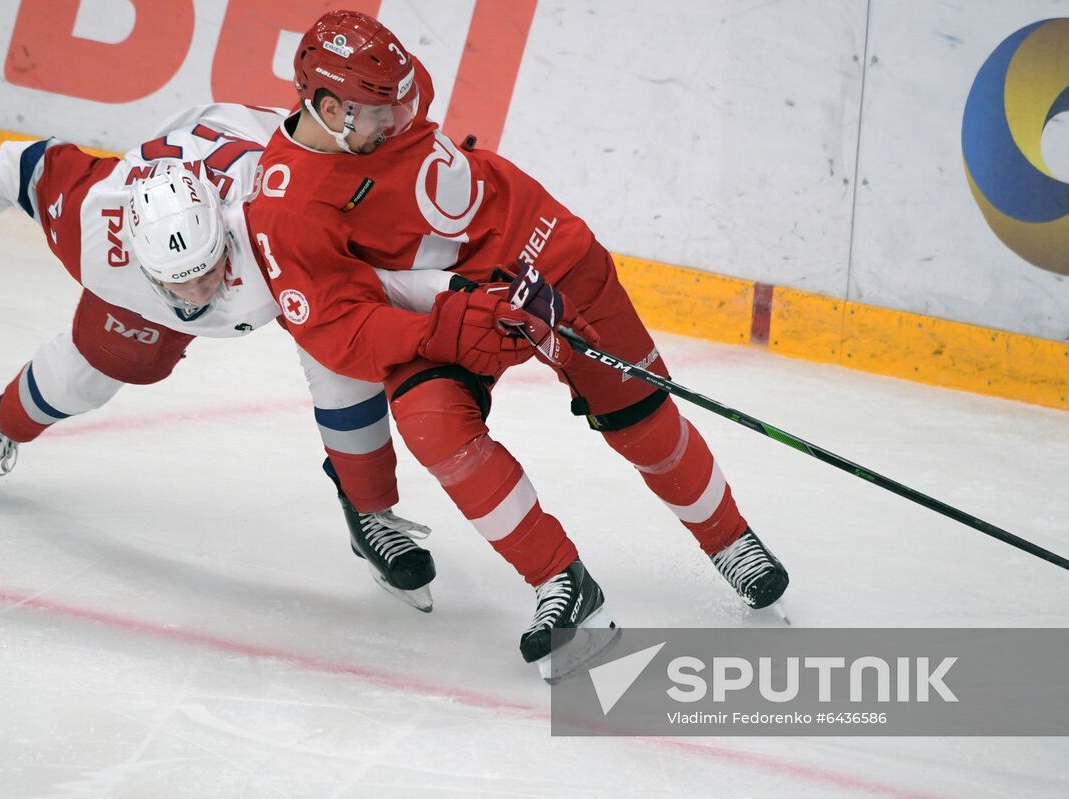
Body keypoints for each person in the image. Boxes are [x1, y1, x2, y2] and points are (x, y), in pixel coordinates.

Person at [242, 10, 791, 679]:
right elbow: (334, 326)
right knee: (434, 428)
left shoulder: (379, 104)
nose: (399, 119)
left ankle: (730, 539)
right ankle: (563, 584)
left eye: (397, 100)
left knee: (637, 417)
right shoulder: (287, 206)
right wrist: (442, 325)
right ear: (327, 107)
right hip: (445, 309)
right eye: (376, 114)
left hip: (546, 247)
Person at [0, 103, 442, 612]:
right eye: (180, 283)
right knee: (89, 373)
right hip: (192, 189)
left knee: (341, 352)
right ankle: (0, 421)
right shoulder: (98, 221)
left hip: (266, 198)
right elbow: (21, 166)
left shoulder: (274, 229)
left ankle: (368, 509)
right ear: (136, 255)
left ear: (223, 235)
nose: (200, 297)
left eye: (207, 272)